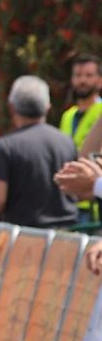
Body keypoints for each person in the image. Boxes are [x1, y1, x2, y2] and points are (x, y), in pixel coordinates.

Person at [0, 75, 77, 229]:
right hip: (67, 237)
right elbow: (77, 190)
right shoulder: (67, 141)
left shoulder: (6, 146)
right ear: (47, 107)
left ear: (11, 107)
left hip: (25, 238)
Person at [58, 54, 102, 223]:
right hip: (70, 199)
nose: (82, 80)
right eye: (78, 75)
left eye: (89, 75)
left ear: (99, 81)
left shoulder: (100, 111)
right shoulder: (67, 116)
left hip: (93, 201)